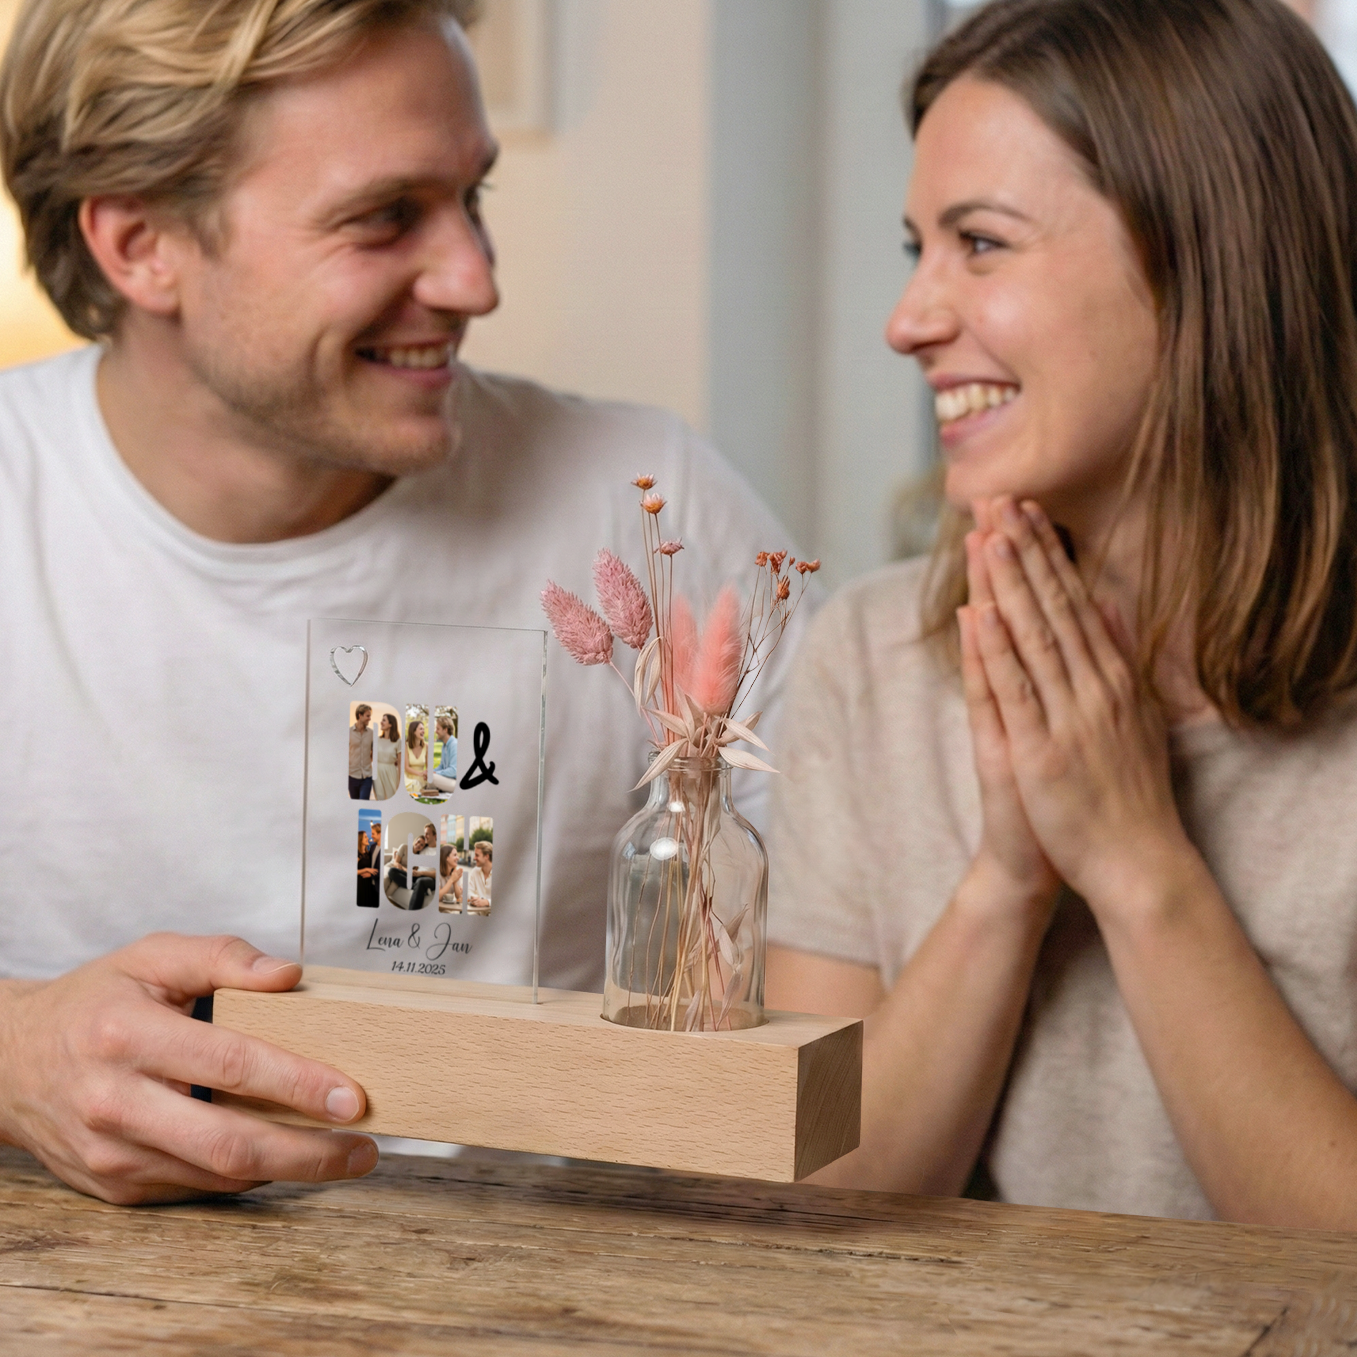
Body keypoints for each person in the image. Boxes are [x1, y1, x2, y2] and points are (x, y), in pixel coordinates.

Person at [0, 0, 801, 1205]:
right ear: (139, 243)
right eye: (383, 217)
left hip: (539, 1278)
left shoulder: (652, 509)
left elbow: (857, 960)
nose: (475, 280)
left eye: (473, 197)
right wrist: (13, 1054)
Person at [767, 0, 1357, 1230]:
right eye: (916, 249)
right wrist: (1006, 878)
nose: (907, 321)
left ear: (1206, 261)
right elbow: (817, 1199)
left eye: (980, 244)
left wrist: (1136, 862)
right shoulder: (871, 658)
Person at [386, 824, 437, 912]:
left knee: (420, 881)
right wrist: (414, 871)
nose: (425, 836)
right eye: (425, 833)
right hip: (416, 876)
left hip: (429, 879)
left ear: (435, 836)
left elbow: (438, 874)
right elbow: (412, 862)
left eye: (428, 834)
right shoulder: (422, 850)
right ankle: (418, 888)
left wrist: (421, 873)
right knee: (392, 871)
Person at [372, 712, 402, 801]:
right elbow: (371, 757)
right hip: (377, 772)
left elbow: (400, 763)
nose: (381, 722)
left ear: (390, 724)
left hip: (391, 772)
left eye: (384, 720)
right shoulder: (377, 740)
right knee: (379, 798)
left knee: (391, 798)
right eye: (382, 720)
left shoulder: (398, 742)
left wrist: (400, 782)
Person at [427, 714, 458, 793]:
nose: (436, 731)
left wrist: (435, 773)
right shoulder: (444, 745)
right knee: (427, 776)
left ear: (445, 730)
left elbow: (454, 771)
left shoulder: (454, 744)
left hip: (456, 782)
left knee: (432, 778)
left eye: (438, 729)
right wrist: (430, 771)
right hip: (449, 779)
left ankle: (433, 788)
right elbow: (441, 766)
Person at [348, 704, 374, 800]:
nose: (370, 718)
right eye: (367, 716)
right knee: (354, 804)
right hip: (352, 776)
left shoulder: (371, 733)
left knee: (363, 802)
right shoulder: (348, 732)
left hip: (367, 777)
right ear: (360, 715)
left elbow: (374, 753)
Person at [403, 718, 429, 798]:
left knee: (417, 786)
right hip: (408, 776)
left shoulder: (426, 746)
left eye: (423, 729)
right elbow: (406, 767)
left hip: (421, 777)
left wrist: (425, 773)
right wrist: (420, 773)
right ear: (413, 732)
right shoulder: (405, 746)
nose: (423, 731)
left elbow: (428, 767)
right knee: (413, 785)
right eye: (421, 729)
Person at [356, 828, 380, 908]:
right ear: (360, 840)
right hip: (361, 885)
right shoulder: (358, 854)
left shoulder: (368, 853)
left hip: (369, 884)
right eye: (365, 837)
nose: (368, 838)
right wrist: (366, 869)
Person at [465, 839, 491, 914]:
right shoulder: (475, 871)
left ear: (486, 856)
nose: (474, 858)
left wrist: (487, 902)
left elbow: (505, 899)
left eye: (477, 855)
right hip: (478, 914)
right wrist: (474, 898)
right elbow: (469, 891)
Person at [437, 844, 462, 913]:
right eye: (455, 855)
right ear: (446, 858)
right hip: (438, 910)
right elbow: (438, 897)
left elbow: (458, 896)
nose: (457, 858)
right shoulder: (438, 874)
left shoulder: (454, 873)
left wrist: (455, 881)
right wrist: (451, 880)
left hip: (450, 909)